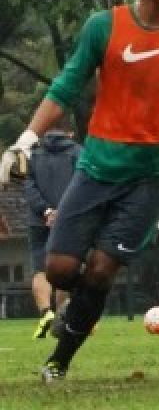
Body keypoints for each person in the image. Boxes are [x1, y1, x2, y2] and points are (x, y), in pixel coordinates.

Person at [0, 0, 159, 383]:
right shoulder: (103, 26)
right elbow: (66, 87)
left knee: (100, 269)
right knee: (59, 270)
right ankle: (80, 309)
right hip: (96, 166)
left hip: (152, 175)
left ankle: (59, 360)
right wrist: (25, 140)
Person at [24, 126, 81, 339]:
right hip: (70, 219)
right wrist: (62, 212)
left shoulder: (33, 154)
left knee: (40, 268)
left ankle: (45, 313)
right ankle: (62, 320)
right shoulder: (78, 153)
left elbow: (29, 187)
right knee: (65, 269)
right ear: (70, 132)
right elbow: (81, 185)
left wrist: (46, 210)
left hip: (38, 220)